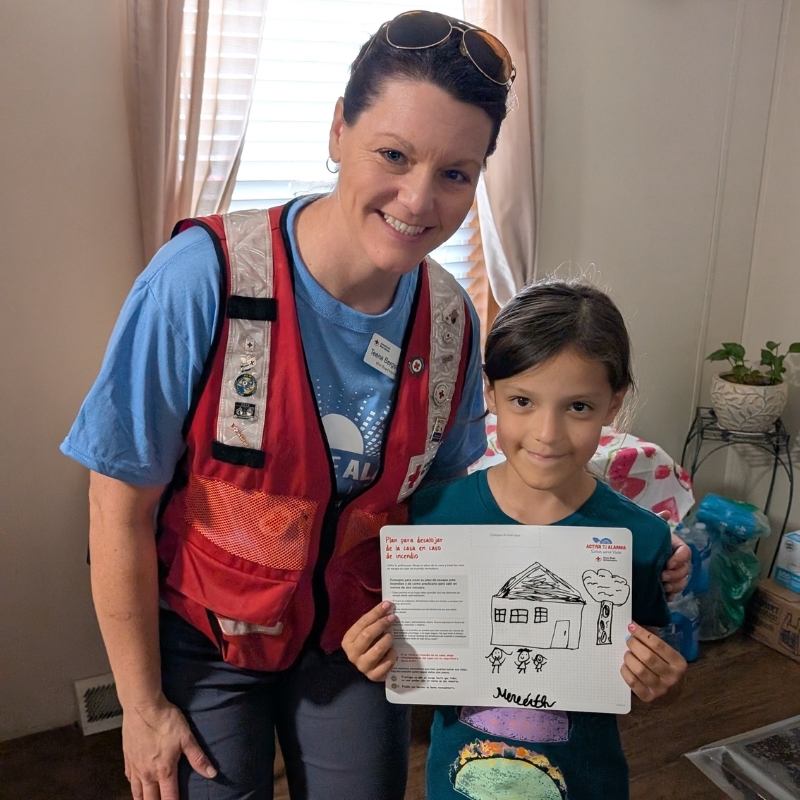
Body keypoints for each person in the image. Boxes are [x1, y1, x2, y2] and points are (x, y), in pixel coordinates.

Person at [61, 11, 519, 800]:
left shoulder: (449, 320)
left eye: (456, 174)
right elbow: (117, 505)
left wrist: (622, 557)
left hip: (353, 636)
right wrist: (139, 708)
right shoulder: (200, 281)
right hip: (206, 642)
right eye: (393, 155)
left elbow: (448, 506)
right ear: (338, 130)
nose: (418, 200)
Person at [343, 280, 688, 800]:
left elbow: (644, 671)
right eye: (523, 401)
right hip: (459, 783)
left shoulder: (640, 539)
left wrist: (662, 679)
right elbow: (408, 654)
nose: (547, 434)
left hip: (585, 785)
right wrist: (371, 655)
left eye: (578, 408)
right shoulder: (430, 518)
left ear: (613, 404)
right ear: (490, 393)